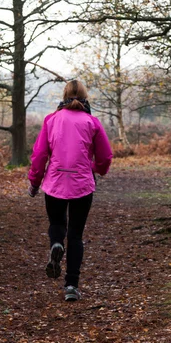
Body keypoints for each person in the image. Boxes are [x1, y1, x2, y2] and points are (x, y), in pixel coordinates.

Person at [28, 80, 113, 302]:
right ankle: (71, 286)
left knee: (57, 224)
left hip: (55, 182)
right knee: (76, 235)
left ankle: (56, 244)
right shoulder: (91, 122)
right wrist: (96, 169)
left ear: (64, 95)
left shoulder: (51, 120)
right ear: (85, 97)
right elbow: (105, 156)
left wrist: (35, 182)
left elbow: (39, 156)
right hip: (82, 184)